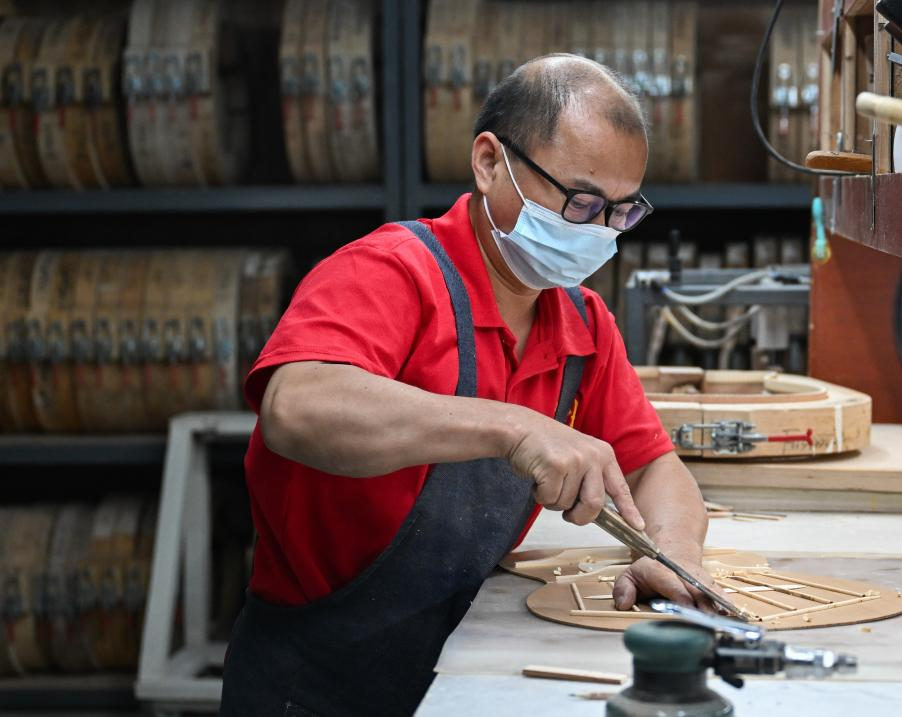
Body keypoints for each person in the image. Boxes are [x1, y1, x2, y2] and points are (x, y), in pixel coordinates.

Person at [220, 54, 714, 717]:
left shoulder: (580, 322)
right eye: (581, 201)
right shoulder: (390, 273)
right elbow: (295, 406)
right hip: (313, 683)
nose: (598, 232)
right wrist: (511, 426)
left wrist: (672, 555)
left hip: (460, 666)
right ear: (488, 162)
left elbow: (653, 463)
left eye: (620, 212)